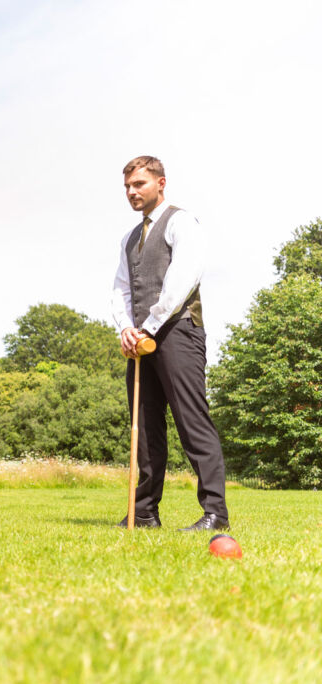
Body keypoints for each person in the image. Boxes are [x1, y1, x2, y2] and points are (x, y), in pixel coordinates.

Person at [111, 155, 229, 531]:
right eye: (127, 186)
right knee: (145, 430)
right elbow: (121, 289)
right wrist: (127, 329)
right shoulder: (129, 239)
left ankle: (215, 513)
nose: (132, 192)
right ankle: (143, 512)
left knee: (192, 422)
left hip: (179, 331)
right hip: (140, 342)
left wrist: (149, 325)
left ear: (161, 183)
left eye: (139, 184)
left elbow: (183, 278)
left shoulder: (181, 222)